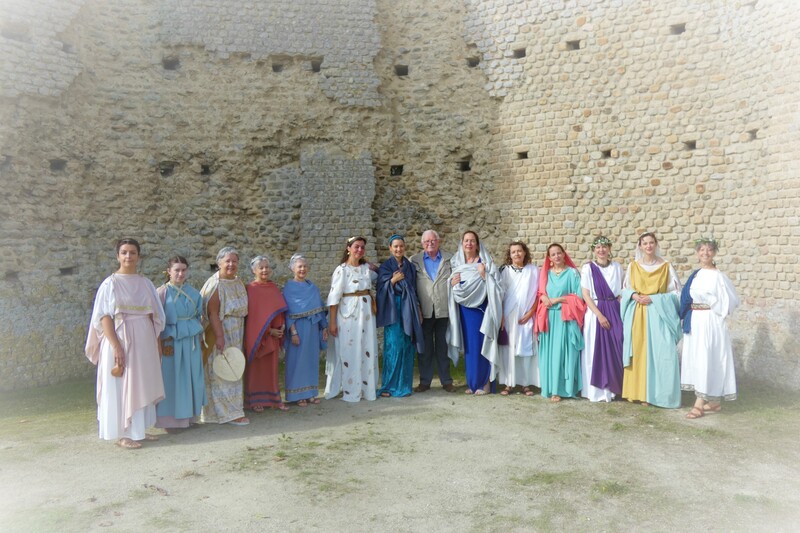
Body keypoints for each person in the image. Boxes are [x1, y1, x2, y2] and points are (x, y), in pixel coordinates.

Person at [85, 238, 165, 449]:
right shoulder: (109, 284)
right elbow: (104, 318)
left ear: (138, 256)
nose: (128, 256)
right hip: (119, 340)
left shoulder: (146, 283)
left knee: (141, 383)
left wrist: (156, 345)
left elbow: (154, 316)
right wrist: (116, 347)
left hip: (144, 341)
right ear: (117, 256)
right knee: (121, 385)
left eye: (132, 252)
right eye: (124, 252)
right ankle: (123, 433)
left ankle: (138, 430)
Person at [620, 232, 682, 408]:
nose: (648, 246)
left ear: (656, 244)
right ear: (640, 246)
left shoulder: (666, 267)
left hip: (659, 315)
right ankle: (640, 394)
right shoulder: (633, 266)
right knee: (640, 353)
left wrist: (654, 298)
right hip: (638, 315)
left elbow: (676, 293)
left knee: (663, 352)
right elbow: (625, 289)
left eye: (651, 243)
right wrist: (633, 295)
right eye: (645, 243)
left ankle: (660, 394)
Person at [680, 238, 740, 419]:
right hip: (696, 320)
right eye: (702, 250)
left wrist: (714, 303)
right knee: (699, 358)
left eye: (709, 250)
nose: (705, 253)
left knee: (708, 358)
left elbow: (732, 301)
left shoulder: (719, 276)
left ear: (714, 253)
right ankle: (713, 402)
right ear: (697, 252)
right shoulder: (696, 275)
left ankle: (700, 403)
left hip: (711, 321)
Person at [448, 230, 503, 395]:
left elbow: (498, 287)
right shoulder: (457, 263)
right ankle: (472, 383)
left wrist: (484, 274)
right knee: (470, 347)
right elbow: (452, 287)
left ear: (477, 244)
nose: (469, 244)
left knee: (482, 344)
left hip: (481, 310)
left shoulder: (486, 263)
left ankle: (485, 383)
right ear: (462, 243)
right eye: (466, 241)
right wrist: (452, 284)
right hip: (465, 312)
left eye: (472, 241)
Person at [324, 236, 379, 402]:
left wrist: (370, 265)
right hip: (348, 314)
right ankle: (350, 388)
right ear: (348, 248)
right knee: (349, 350)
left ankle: (366, 389)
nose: (359, 250)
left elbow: (379, 273)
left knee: (367, 348)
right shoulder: (342, 270)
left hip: (367, 314)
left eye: (362, 247)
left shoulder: (366, 269)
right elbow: (334, 298)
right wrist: (332, 322)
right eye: (356, 247)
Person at [200, 246, 250, 425]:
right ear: (219, 262)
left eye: (234, 261)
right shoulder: (216, 284)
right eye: (227, 261)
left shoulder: (237, 281)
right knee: (223, 369)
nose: (231, 264)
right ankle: (228, 413)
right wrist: (220, 337)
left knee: (234, 367)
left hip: (237, 330)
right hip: (220, 331)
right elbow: (213, 313)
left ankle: (227, 410)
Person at [155, 255, 206, 430]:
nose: (180, 273)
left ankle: (189, 419)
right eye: (177, 270)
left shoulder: (193, 293)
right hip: (171, 342)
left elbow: (199, 316)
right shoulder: (161, 293)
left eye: (183, 270)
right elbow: (155, 320)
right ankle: (169, 422)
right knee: (172, 379)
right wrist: (160, 344)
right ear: (168, 271)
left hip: (190, 341)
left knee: (191, 378)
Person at [534, 243, 586, 402]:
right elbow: (541, 292)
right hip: (549, 320)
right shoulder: (545, 274)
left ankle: (565, 389)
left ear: (564, 254)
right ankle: (552, 389)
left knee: (564, 353)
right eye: (553, 254)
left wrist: (559, 299)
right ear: (549, 258)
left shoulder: (573, 273)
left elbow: (579, 298)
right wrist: (543, 297)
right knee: (550, 354)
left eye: (559, 253)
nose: (556, 256)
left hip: (565, 319)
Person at [376, 235, 425, 397]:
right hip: (393, 310)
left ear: (405, 247)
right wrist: (392, 281)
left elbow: (414, 289)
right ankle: (389, 386)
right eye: (395, 246)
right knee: (394, 346)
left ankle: (404, 385)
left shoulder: (410, 267)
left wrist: (418, 309)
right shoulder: (385, 267)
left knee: (407, 346)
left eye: (401, 246)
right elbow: (381, 290)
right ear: (390, 248)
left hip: (409, 309)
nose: (398, 249)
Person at [410, 230, 456, 392]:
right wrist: (416, 308)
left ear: (439, 241)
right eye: (426, 241)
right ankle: (425, 381)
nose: (430, 243)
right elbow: (411, 287)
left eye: (433, 240)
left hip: (444, 310)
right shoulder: (414, 261)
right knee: (425, 349)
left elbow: (459, 277)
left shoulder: (450, 259)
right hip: (424, 312)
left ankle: (446, 381)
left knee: (443, 348)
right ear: (422, 244)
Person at [580, 237, 624, 402]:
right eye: (598, 247)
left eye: (604, 247)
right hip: (595, 311)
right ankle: (596, 392)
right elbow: (586, 294)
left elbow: (620, 291)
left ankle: (614, 389)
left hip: (614, 308)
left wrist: (621, 306)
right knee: (595, 349)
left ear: (609, 248)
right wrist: (599, 315)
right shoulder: (588, 268)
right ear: (593, 250)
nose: (601, 250)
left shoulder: (617, 267)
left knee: (617, 344)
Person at [243, 255, 288, 412]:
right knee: (256, 370)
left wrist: (280, 327)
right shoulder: (250, 289)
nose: (264, 270)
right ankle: (255, 400)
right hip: (257, 337)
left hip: (273, 337)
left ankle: (274, 400)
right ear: (254, 270)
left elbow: (279, 311)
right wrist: (268, 330)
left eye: (267, 267)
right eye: (261, 267)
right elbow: (251, 317)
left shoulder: (273, 288)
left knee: (271, 370)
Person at [283, 254, 328, 406]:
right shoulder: (289, 288)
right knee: (297, 362)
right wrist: (293, 332)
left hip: (313, 328)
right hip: (298, 330)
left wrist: (324, 327)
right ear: (292, 268)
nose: (302, 269)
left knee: (311, 360)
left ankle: (310, 393)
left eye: (304, 266)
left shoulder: (312, 287)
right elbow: (288, 312)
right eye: (299, 266)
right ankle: (297, 395)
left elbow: (320, 309)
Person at [498, 241, 539, 396]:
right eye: (513, 252)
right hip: (509, 316)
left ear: (525, 253)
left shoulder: (534, 271)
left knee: (525, 350)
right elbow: (500, 295)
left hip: (527, 316)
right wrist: (501, 315)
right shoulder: (505, 271)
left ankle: (525, 383)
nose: (517, 254)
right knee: (509, 350)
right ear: (510, 255)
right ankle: (508, 383)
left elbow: (538, 294)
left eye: (519, 251)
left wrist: (531, 312)